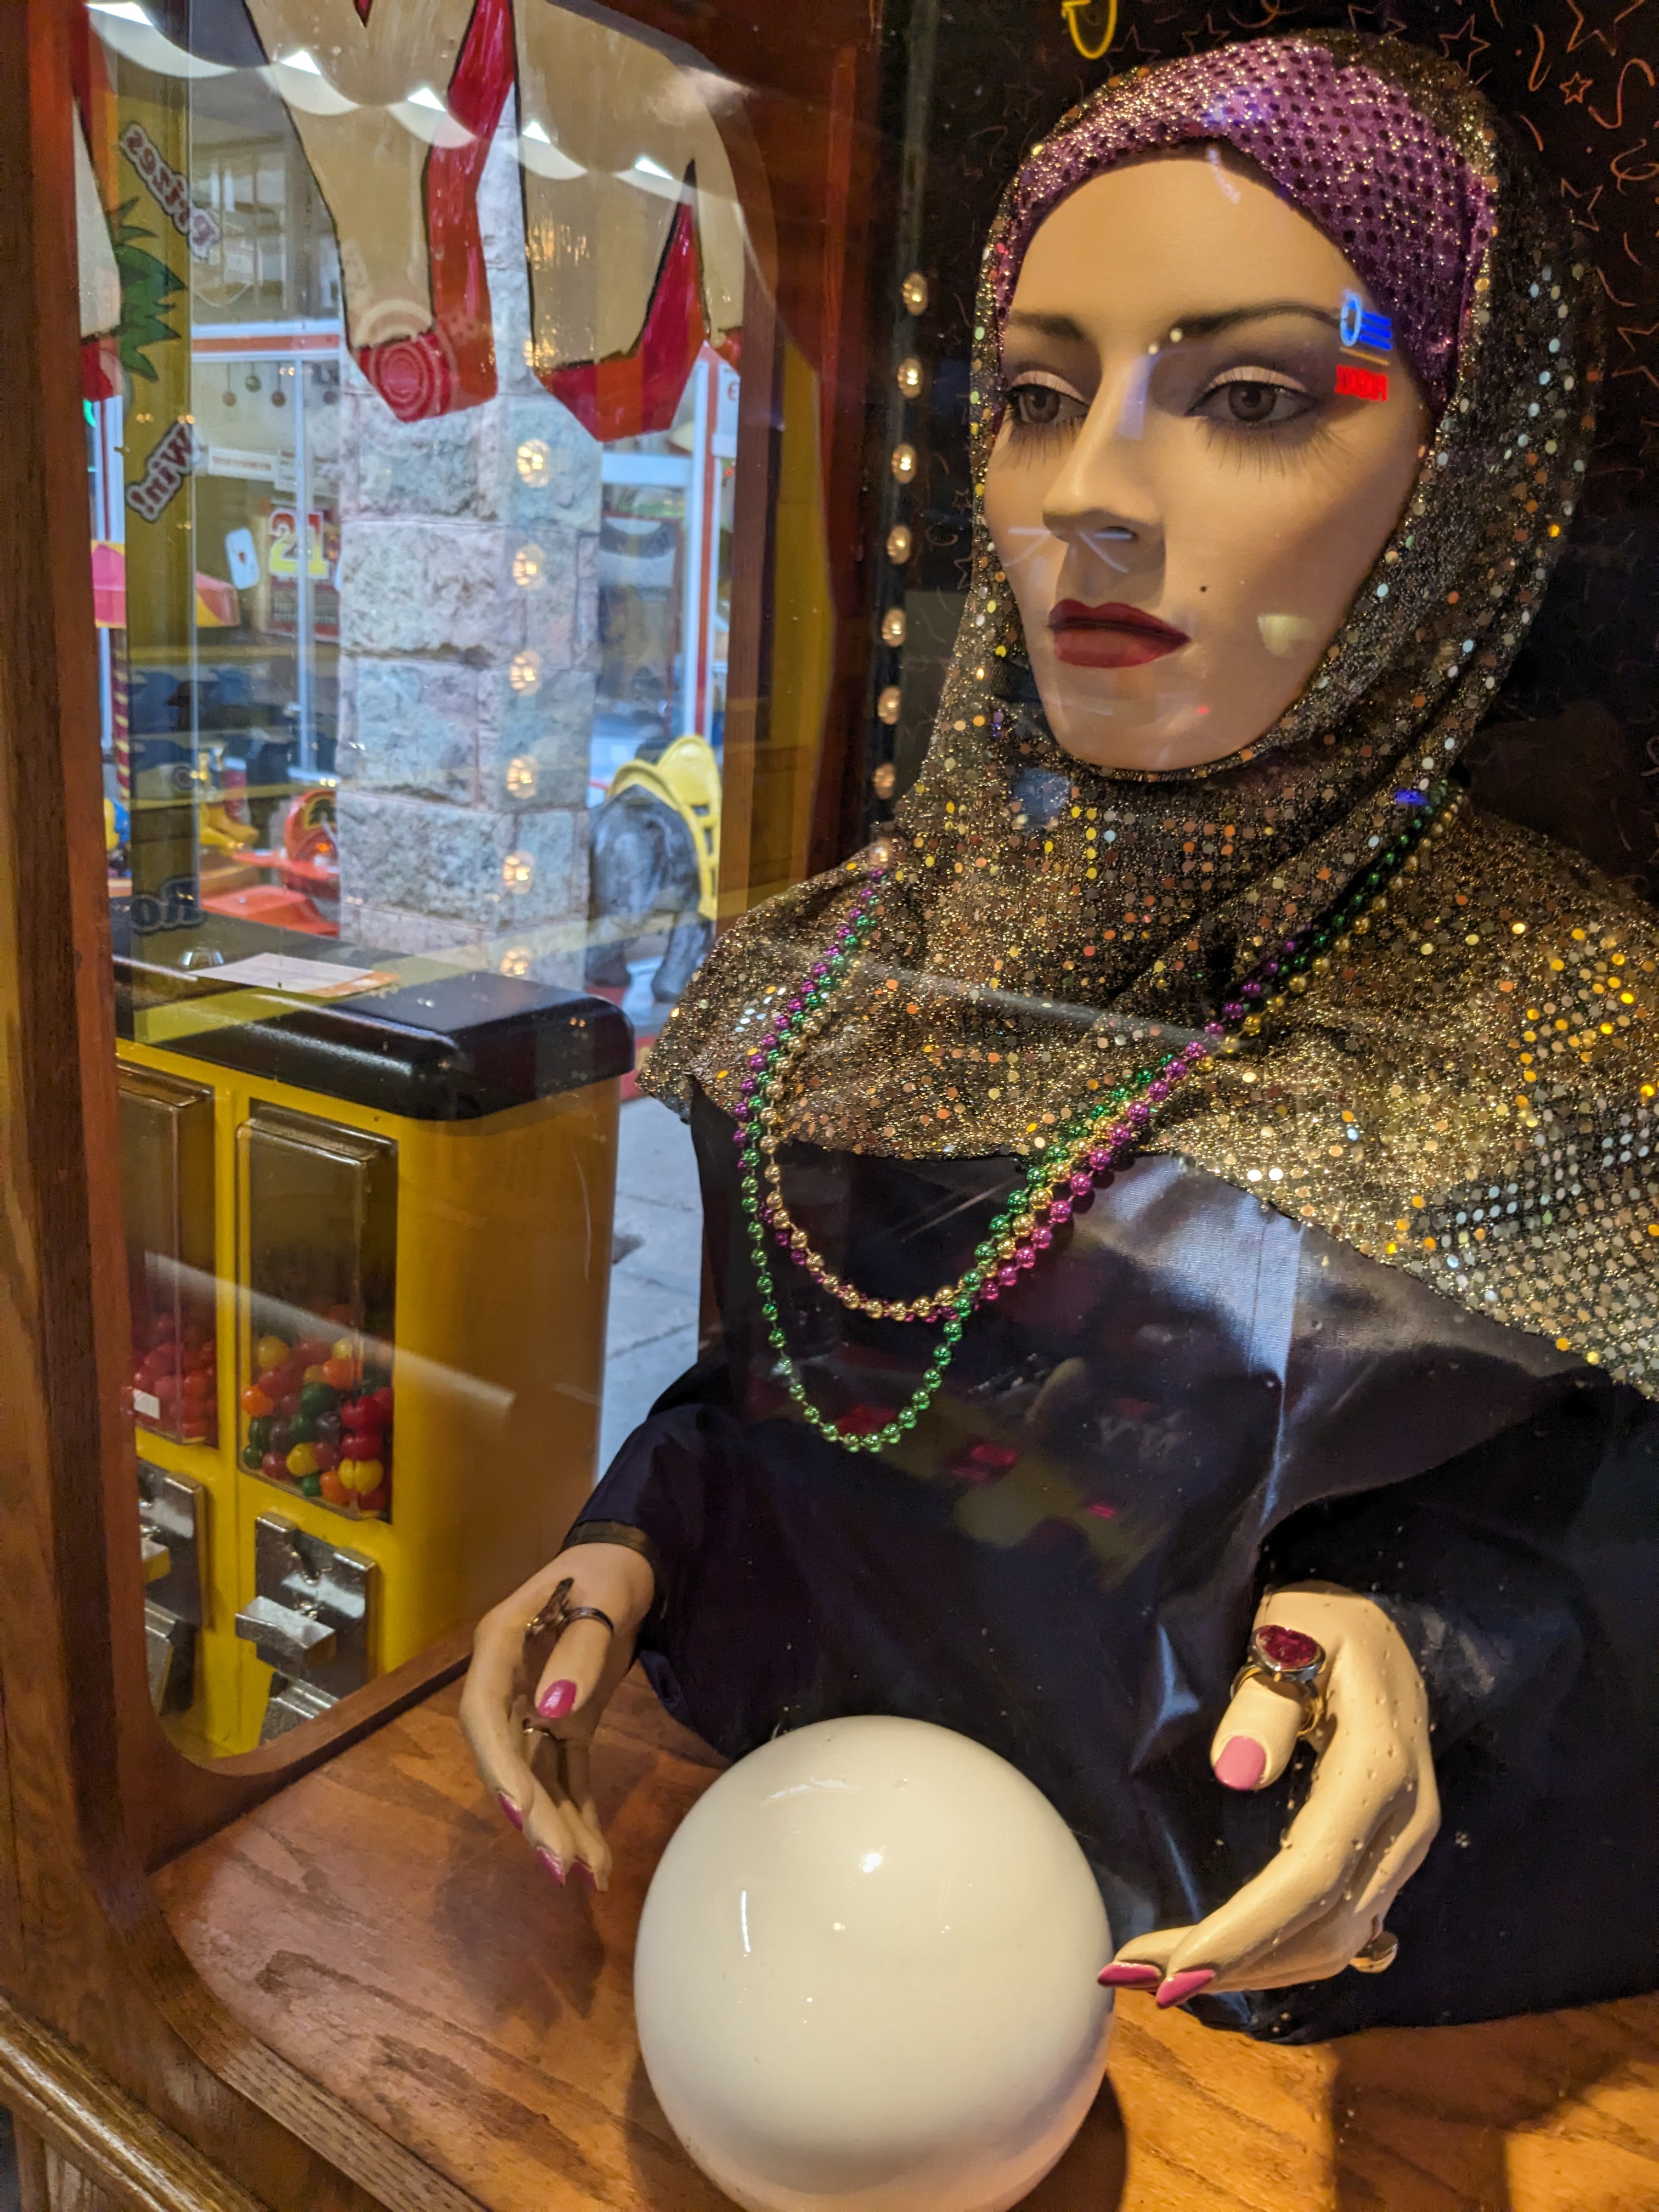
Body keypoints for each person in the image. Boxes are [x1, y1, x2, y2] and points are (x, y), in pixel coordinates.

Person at [463, 32, 1659, 2041]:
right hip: (798, 1940)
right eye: (1032, 398)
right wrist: (643, 1536)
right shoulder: (835, 969)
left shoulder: (1590, 1037)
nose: (1089, 496)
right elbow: (843, 1420)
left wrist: (1447, 1652)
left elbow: (1601, 1531)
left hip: (1233, 2054)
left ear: (1461, 482)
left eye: (1256, 397)